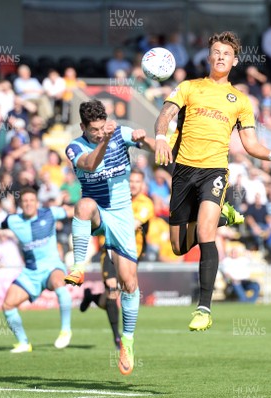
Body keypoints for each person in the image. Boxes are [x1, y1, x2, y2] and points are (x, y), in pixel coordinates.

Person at [153, 31, 271, 331]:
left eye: (226, 53)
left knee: (205, 233)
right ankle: (224, 216)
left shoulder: (241, 101)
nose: (220, 56)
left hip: (214, 171)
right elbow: (166, 114)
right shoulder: (189, 87)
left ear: (234, 61)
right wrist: (159, 137)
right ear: (209, 56)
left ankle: (204, 309)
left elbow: (250, 143)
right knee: (178, 247)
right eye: (216, 52)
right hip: (182, 170)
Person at [64, 99, 156, 376]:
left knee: (129, 284)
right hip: (98, 211)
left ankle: (126, 342)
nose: (99, 132)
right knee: (82, 205)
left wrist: (150, 141)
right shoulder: (75, 146)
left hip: (122, 216)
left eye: (102, 127)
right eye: (93, 130)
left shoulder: (119, 132)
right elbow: (90, 166)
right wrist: (103, 141)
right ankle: (79, 267)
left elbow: (148, 146)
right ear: (83, 127)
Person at [0, 187, 74, 352]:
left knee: (59, 283)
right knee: (8, 305)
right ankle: (23, 343)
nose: (28, 204)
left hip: (52, 266)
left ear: (37, 202)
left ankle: (65, 330)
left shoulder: (50, 213)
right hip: (30, 273)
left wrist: (94, 207)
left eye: (31, 201)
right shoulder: (14, 220)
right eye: (25, 201)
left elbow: (73, 211)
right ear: (21, 203)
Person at [79, 168, 154, 350]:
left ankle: (93, 297)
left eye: (137, 181)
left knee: (116, 295)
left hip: (131, 254)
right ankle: (117, 338)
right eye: (131, 181)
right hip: (110, 250)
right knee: (113, 290)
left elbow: (133, 223)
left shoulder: (145, 203)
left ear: (142, 184)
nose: (133, 184)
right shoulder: (114, 199)